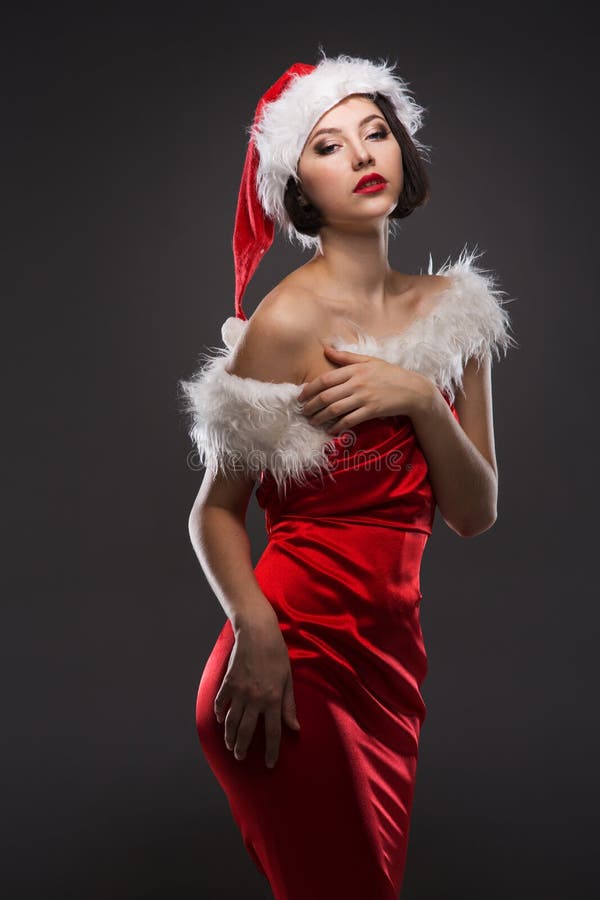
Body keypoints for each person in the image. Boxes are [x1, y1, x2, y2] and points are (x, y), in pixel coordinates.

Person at [178, 50, 518, 900]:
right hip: (289, 669)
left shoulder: (458, 314)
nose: (364, 156)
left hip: (392, 671)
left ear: (403, 154)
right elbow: (214, 512)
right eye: (329, 146)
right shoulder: (285, 321)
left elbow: (474, 513)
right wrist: (254, 632)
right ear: (298, 188)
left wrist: (419, 400)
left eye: (376, 134)